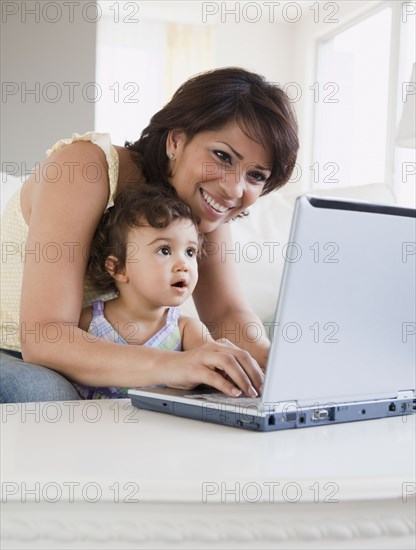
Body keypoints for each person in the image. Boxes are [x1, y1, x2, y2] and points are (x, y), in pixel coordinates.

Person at [0, 67, 299, 403]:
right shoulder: (85, 168)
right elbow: (44, 338)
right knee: (45, 392)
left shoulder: (204, 206)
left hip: (123, 366)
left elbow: (226, 313)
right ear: (176, 140)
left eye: (256, 175)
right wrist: (175, 366)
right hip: (14, 350)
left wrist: (274, 368)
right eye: (222, 156)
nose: (233, 188)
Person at [75, 184, 253, 399]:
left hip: (160, 431)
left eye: (190, 252)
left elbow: (214, 364)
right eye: (165, 250)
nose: (184, 264)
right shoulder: (88, 322)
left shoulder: (187, 330)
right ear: (118, 267)